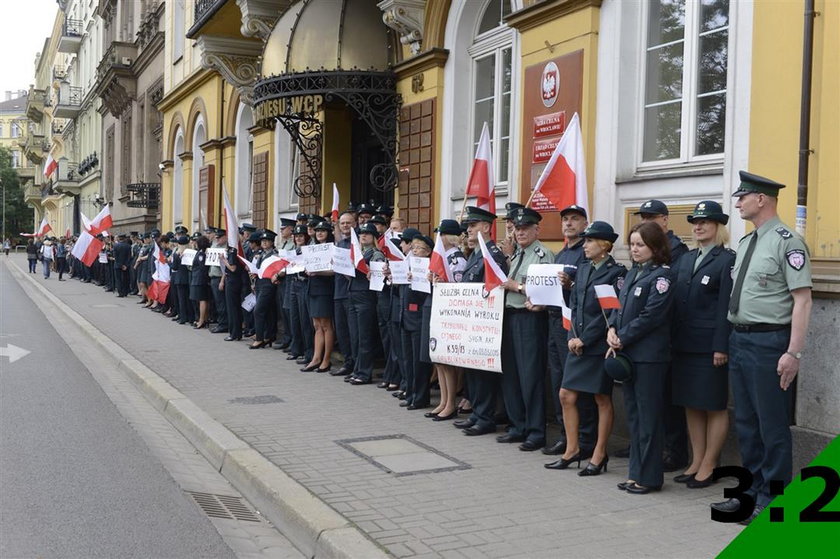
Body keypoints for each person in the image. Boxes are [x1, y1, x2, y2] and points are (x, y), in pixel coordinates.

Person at [712, 172, 812, 525]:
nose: (737, 202)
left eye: (743, 196)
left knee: (771, 425)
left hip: (771, 343)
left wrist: (793, 352)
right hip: (741, 340)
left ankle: (774, 501)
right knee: (747, 423)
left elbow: (802, 300)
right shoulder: (747, 242)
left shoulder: (789, 243)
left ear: (762, 199)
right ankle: (752, 492)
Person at [545, 221, 626, 474]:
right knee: (566, 395)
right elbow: (575, 306)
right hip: (577, 342)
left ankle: (599, 454)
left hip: (597, 345)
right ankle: (572, 449)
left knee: (601, 398)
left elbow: (610, 313)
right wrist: (571, 335)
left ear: (604, 245)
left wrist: (586, 339)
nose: (586, 244)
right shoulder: (583, 268)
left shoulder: (616, 273)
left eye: (590, 241)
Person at [670, 201, 735, 489]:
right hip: (685, 343)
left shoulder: (726, 259)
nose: (698, 226)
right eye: (695, 222)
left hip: (710, 346)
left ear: (718, 226)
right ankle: (696, 460)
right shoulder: (686, 258)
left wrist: (721, 346)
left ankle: (710, 463)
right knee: (691, 403)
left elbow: (725, 308)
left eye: (705, 222)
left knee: (713, 405)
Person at [609, 221, 675, 494]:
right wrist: (611, 329)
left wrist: (622, 336)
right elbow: (618, 308)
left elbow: (651, 316)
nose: (634, 250)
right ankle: (635, 472)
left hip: (649, 358)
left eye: (640, 245)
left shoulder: (662, 277)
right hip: (629, 354)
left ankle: (649, 477)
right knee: (635, 418)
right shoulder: (634, 274)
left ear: (655, 247)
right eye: (632, 244)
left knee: (648, 418)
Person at [633, 199, 690, 470]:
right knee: (647, 405)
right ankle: (644, 448)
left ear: (665, 220)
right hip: (643, 339)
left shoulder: (676, 252)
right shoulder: (640, 258)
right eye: (643, 217)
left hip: (665, 335)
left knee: (666, 400)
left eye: (652, 217)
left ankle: (673, 451)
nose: (647, 222)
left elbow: (664, 299)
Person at [499, 207, 554, 451]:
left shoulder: (543, 254)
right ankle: (517, 425)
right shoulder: (517, 254)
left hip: (529, 319)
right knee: (511, 375)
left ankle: (535, 431)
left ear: (536, 230)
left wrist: (516, 287)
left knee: (530, 376)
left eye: (525, 229)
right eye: (517, 229)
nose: (520, 232)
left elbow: (545, 291)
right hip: (510, 316)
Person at [544, 204, 598, 458]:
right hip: (555, 321)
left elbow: (589, 289)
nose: (568, 224)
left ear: (585, 224)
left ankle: (585, 439)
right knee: (559, 381)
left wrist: (572, 283)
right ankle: (567, 436)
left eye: (574, 219)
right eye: (565, 219)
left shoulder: (586, 253)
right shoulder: (562, 252)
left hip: (575, 326)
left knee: (576, 385)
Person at [454, 207, 509, 437]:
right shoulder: (475, 253)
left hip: (485, 324)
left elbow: (492, 288)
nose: (468, 230)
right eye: (468, 226)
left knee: (483, 373)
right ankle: (477, 412)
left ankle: (485, 417)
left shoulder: (492, 254)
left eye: (473, 226)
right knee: (472, 371)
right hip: (471, 322)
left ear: (486, 227)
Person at [424, 220, 468, 420]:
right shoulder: (443, 256)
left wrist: (442, 284)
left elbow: (457, 288)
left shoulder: (456, 259)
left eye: (440, 234)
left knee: (447, 361)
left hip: (450, 313)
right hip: (440, 308)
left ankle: (450, 403)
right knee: (439, 360)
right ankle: (443, 400)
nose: (438, 238)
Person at [346, 222, 386, 385]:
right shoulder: (356, 253)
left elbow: (378, 275)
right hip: (353, 293)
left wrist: (369, 271)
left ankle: (364, 372)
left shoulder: (376, 254)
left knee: (365, 337)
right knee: (355, 336)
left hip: (366, 297)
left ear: (374, 237)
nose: (363, 236)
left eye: (367, 234)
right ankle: (357, 369)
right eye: (361, 233)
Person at [399, 234, 434, 409]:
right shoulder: (410, 264)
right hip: (405, 316)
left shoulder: (428, 268)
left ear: (427, 251)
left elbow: (424, 294)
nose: (414, 251)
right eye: (413, 248)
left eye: (418, 248)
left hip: (419, 317)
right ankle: (411, 393)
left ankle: (420, 397)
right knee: (408, 359)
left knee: (419, 362)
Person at [301, 221, 336, 372]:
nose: (320, 233)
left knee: (326, 325)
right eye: (318, 231)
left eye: (323, 230)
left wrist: (318, 272)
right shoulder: (312, 248)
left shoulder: (332, 248)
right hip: (312, 288)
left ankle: (326, 359)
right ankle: (316, 358)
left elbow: (334, 270)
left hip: (325, 288)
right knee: (316, 325)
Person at [330, 211, 357, 376]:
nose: (345, 225)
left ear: (354, 224)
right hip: (338, 292)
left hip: (351, 294)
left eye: (348, 222)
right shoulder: (339, 244)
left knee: (353, 332)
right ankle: (347, 363)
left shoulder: (356, 243)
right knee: (342, 331)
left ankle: (355, 364)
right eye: (342, 223)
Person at [250, 230, 279, 349]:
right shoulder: (260, 254)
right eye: (263, 241)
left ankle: (259, 338)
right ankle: (268, 335)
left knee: (258, 310)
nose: (264, 243)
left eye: (267, 241)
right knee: (268, 311)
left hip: (268, 284)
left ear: (272, 242)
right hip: (259, 283)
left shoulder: (275, 254)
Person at [190, 235, 213, 329]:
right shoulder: (201, 253)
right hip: (200, 279)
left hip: (200, 279)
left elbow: (203, 268)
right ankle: (204, 319)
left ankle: (202, 320)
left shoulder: (201, 255)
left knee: (202, 300)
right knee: (203, 300)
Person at [171, 235, 194, 325]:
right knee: (189, 299)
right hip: (188, 278)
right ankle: (190, 317)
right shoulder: (191, 253)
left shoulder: (177, 254)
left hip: (179, 278)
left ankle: (182, 317)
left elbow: (174, 267)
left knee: (181, 299)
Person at [209, 229, 229, 334]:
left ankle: (224, 324)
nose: (217, 239)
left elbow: (225, 269)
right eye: (216, 237)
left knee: (221, 303)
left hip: (220, 278)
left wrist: (222, 281)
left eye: (219, 237)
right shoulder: (214, 247)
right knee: (217, 302)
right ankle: (221, 322)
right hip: (213, 276)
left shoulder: (226, 249)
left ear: (225, 237)